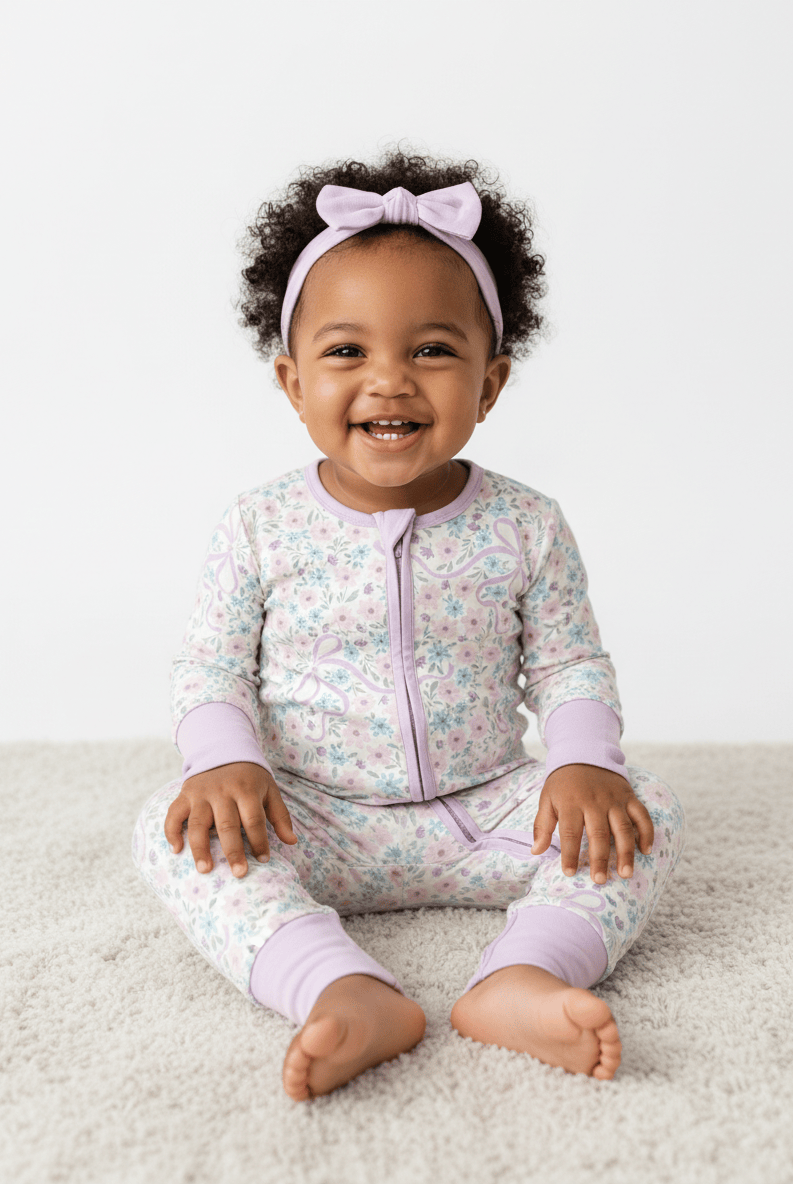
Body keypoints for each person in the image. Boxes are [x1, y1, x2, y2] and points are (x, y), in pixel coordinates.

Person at [131, 144, 686, 1102]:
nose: (389, 380)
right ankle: (335, 986)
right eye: (346, 352)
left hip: (486, 816)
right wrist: (224, 762)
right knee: (173, 831)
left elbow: (568, 664)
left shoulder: (525, 523)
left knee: (643, 810)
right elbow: (212, 667)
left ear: (490, 383)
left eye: (431, 350)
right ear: (292, 381)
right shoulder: (260, 524)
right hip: (312, 818)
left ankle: (525, 975)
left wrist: (581, 762)